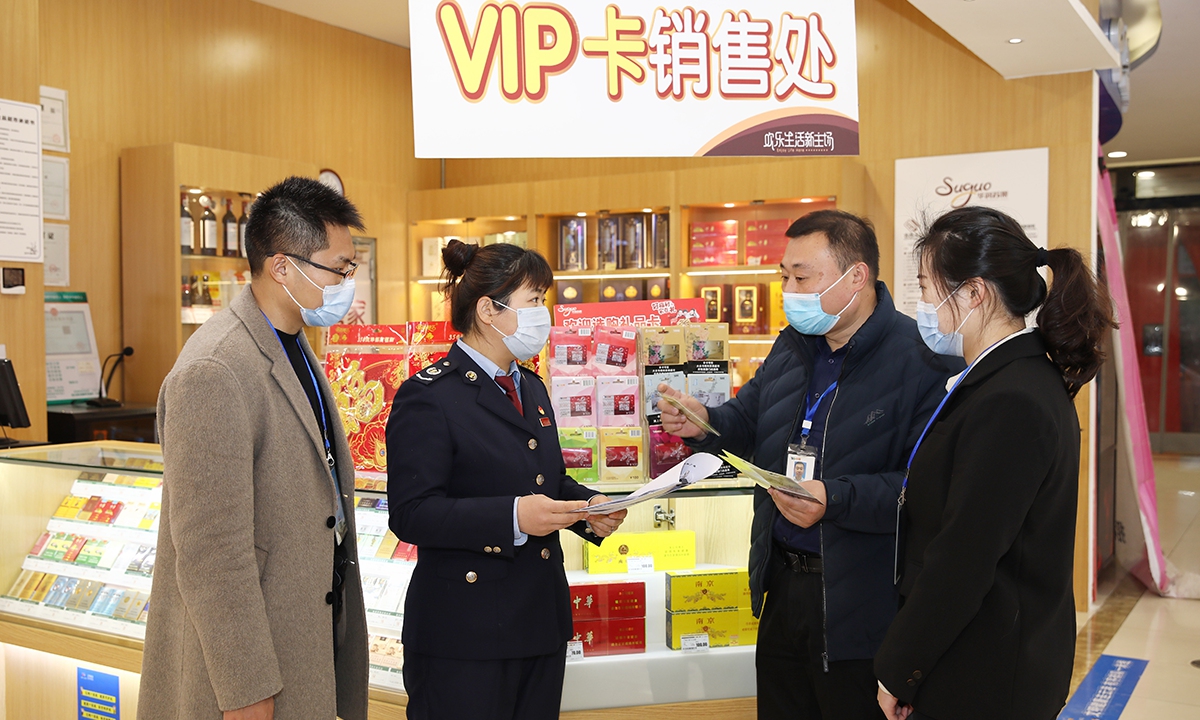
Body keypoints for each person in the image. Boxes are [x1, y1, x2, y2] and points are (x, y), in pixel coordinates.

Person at [659, 210, 960, 720]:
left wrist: (836, 499)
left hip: (863, 602)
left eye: (802, 277)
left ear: (856, 277)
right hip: (783, 586)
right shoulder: (791, 346)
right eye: (783, 275)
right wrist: (704, 421)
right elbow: (749, 418)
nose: (788, 289)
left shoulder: (923, 359)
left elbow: (929, 490)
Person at [140, 177, 369, 719]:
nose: (347, 285)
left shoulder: (292, 343)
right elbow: (211, 552)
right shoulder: (215, 369)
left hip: (304, 634)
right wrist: (247, 691)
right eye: (338, 269)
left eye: (351, 269)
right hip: (252, 674)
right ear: (282, 266)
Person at [875, 206, 1115, 720]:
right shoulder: (1002, 380)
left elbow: (965, 556)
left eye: (927, 286)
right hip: (985, 649)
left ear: (974, 293)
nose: (923, 304)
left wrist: (901, 667)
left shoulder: (1013, 398)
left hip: (990, 666)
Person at [385, 239, 628, 720]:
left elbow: (548, 478)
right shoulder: (428, 396)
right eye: (534, 301)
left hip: (538, 621)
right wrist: (513, 516)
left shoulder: (530, 386)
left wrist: (588, 508)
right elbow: (413, 513)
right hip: (465, 632)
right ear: (488, 310)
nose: (545, 313)